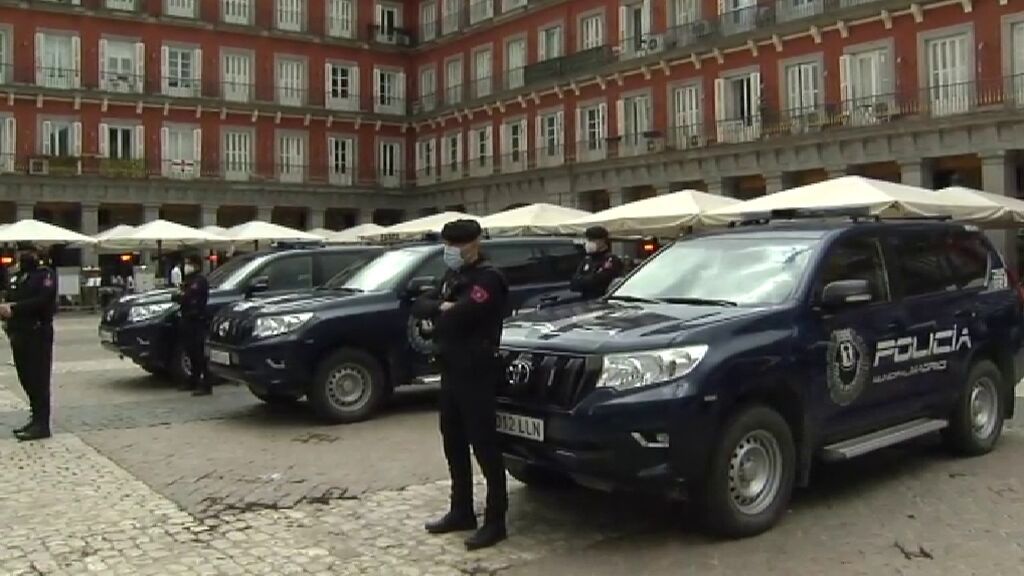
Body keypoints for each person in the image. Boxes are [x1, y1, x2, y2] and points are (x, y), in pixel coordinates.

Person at [412, 219, 510, 551]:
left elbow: (465, 313)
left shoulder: (488, 278)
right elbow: (420, 305)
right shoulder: (454, 277)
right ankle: (461, 509)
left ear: (474, 243)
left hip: (478, 370)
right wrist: (442, 306)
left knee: (484, 446)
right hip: (452, 368)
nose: (450, 251)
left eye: (456, 245)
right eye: (447, 245)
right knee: (452, 441)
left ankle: (496, 520)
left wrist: (446, 311)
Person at [0, 243, 58, 441]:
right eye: (21, 252)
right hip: (19, 334)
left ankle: (42, 424)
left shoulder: (45, 275)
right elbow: (10, 296)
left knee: (39, 378)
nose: (23, 256)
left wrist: (14, 309)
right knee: (25, 378)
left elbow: (43, 300)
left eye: (27, 252)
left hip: (37, 333)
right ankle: (35, 418)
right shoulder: (18, 277)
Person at [172, 254, 210, 396]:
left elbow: (190, 297)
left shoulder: (199, 281)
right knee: (190, 352)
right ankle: (193, 380)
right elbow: (182, 296)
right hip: (187, 319)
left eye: (189, 263)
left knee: (199, 353)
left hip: (196, 320)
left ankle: (206, 383)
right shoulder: (189, 280)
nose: (186, 266)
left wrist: (182, 297)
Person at [570, 226, 624, 300]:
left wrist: (585, 280)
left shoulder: (611, 260)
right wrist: (587, 280)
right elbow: (574, 283)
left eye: (592, 240)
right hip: (586, 301)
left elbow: (600, 281)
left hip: (603, 301)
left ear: (602, 241)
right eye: (588, 240)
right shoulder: (587, 259)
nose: (589, 243)